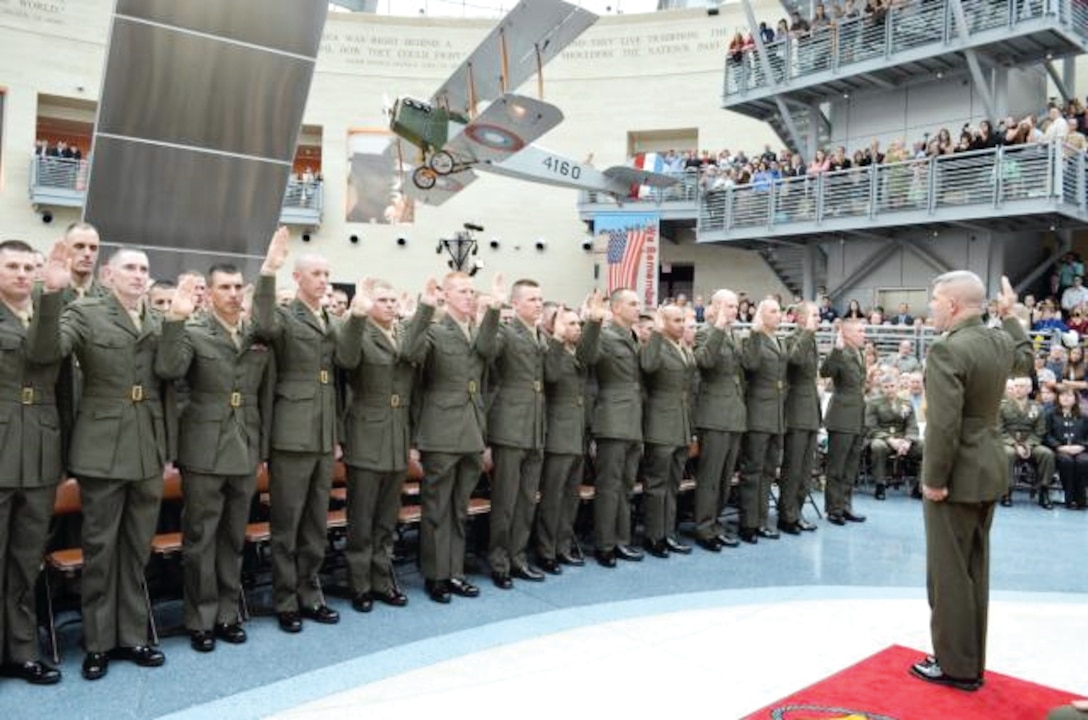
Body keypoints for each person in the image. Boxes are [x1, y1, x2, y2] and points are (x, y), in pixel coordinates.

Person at [37, 247, 177, 680]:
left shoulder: (157, 319)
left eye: (144, 270)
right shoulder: (85, 312)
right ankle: (98, 642)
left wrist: (175, 324)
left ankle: (133, 635)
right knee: (100, 549)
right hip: (101, 444)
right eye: (130, 268)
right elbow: (47, 351)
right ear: (109, 274)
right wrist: (51, 297)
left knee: (135, 549)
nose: (139, 276)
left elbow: (171, 371)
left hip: (147, 446)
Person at [910, 272, 1031, 691]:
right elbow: (1025, 356)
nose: (932, 307)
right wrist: (1011, 313)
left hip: (956, 475)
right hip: (989, 468)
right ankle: (970, 659)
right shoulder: (998, 340)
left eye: (936, 300)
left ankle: (955, 666)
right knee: (974, 569)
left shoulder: (948, 350)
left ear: (954, 305)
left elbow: (944, 426)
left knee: (948, 574)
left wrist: (934, 480)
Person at [155, 264, 274, 652]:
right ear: (209, 291)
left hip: (243, 446)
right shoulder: (194, 330)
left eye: (239, 286)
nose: (234, 293)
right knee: (201, 539)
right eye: (225, 287)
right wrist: (176, 318)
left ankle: (227, 612)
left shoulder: (255, 334)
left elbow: (262, 392)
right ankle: (200, 618)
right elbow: (169, 368)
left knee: (232, 538)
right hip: (203, 448)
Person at [251, 228, 344, 633]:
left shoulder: (329, 319)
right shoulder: (287, 317)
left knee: (315, 524)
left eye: (327, 274)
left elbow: (337, 381)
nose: (324, 281)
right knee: (286, 524)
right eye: (317, 275)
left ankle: (311, 593)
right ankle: (285, 599)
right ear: (299, 278)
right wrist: (269, 271)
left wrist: (336, 434)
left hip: (322, 433)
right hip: (291, 432)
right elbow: (264, 324)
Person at [336, 277, 436, 611]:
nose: (390, 305)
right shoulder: (359, 332)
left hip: (396, 435)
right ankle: (359, 583)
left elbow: (411, 355)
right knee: (362, 519)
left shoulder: (404, 335)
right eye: (382, 300)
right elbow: (347, 361)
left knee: (385, 520)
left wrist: (421, 311)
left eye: (394, 300)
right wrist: (357, 316)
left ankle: (381, 578)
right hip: (366, 434)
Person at [0, 240, 68, 686]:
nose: (22, 273)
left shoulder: (49, 317)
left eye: (29, 266)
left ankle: (23, 650)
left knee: (26, 559)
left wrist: (52, 296)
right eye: (12, 266)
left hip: (40, 448)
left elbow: (59, 378)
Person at [414, 271, 501, 603]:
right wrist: (424, 308)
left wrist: (492, 310)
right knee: (437, 508)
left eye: (472, 291)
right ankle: (436, 575)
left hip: (471, 430)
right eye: (462, 291)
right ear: (446, 296)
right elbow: (411, 352)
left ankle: (455, 572)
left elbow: (489, 351)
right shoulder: (436, 330)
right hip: (440, 431)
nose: (469, 296)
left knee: (459, 508)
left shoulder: (477, 332)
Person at [487, 279, 549, 589]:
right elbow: (487, 349)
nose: (539, 304)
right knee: (506, 499)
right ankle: (499, 561)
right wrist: (495, 310)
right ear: (516, 303)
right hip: (510, 424)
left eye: (541, 299)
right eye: (532, 299)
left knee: (526, 499)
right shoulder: (506, 331)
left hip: (535, 425)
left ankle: (518, 556)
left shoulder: (541, 334)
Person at [536, 298, 603, 570]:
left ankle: (563, 545)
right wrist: (557, 338)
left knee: (570, 496)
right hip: (557, 433)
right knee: (553, 498)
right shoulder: (548, 349)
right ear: (555, 325)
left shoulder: (578, 352)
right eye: (570, 323)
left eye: (578, 323)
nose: (577, 328)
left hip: (576, 433)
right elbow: (550, 376)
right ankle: (546, 550)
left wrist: (594, 322)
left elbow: (591, 353)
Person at [587, 289, 646, 567]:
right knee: (609, 486)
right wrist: (594, 322)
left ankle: (622, 539)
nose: (638, 308)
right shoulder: (607, 335)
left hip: (633, 419)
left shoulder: (633, 336)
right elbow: (587, 355)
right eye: (633, 304)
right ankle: (605, 544)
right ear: (617, 308)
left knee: (625, 486)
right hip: (612, 419)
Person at [691, 290, 746, 551]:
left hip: (733, 414)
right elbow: (705, 361)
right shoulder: (706, 332)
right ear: (714, 307)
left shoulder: (734, 335)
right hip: (713, 415)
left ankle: (715, 523)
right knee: (710, 477)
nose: (733, 311)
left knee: (725, 478)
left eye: (736, 307)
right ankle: (704, 528)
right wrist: (719, 328)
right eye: (728, 306)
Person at [639, 305, 695, 557]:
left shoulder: (682, 347)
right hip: (660, 424)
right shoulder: (657, 343)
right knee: (657, 484)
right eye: (676, 320)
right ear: (663, 322)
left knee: (672, 484)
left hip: (680, 424)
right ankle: (654, 536)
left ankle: (668, 533)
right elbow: (648, 366)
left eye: (683, 320)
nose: (681, 325)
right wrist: (657, 334)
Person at [738, 297, 789, 543]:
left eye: (779, 311)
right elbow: (750, 365)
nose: (779, 315)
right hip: (758, 413)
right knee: (753, 470)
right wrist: (755, 334)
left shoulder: (778, 340)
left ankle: (761, 519)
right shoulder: (754, 339)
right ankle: (748, 523)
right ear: (761, 315)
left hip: (776, 414)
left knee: (769, 471)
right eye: (773, 311)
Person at [820, 317, 868, 525]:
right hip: (841, 416)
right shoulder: (841, 352)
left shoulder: (859, 353)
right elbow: (825, 372)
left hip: (857, 416)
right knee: (837, 466)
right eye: (859, 331)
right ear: (846, 334)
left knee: (850, 467)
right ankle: (834, 509)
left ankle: (846, 505)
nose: (863, 334)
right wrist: (836, 350)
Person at [780, 301, 822, 534]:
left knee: (805, 470)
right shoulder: (791, 339)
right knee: (793, 468)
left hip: (810, 411)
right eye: (814, 315)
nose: (819, 318)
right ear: (801, 318)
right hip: (796, 411)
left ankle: (796, 513)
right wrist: (806, 332)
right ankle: (787, 516)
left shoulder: (811, 339)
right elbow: (794, 360)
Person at [999, 376, 1055, 508]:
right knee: (1008, 454)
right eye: (1016, 386)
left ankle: (1044, 490)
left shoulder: (1037, 408)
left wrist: (1028, 445)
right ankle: (1007, 491)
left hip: (1030, 443)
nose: (1018, 389)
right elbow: (999, 430)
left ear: (1030, 389)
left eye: (1022, 386)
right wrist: (1015, 445)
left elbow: (1039, 431)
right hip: (1008, 443)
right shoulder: (1002, 407)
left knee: (1047, 454)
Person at [866, 374, 924, 500]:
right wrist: (890, 440)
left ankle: (919, 486)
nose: (889, 389)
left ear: (897, 386)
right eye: (886, 387)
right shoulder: (873, 403)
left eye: (892, 386)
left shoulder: (906, 403)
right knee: (877, 446)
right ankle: (880, 485)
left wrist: (908, 441)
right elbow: (871, 428)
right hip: (883, 438)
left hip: (903, 439)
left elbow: (912, 426)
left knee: (926, 448)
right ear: (882, 388)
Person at [1045, 385, 1088, 510]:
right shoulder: (1050, 415)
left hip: (1080, 449)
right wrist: (1059, 446)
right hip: (1059, 450)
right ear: (1058, 398)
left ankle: (1080, 497)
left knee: (1083, 461)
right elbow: (1046, 435)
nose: (1065, 398)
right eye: (1062, 395)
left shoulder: (1084, 416)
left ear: (1075, 399)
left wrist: (1082, 446)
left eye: (1069, 395)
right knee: (1066, 461)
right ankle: (1069, 497)